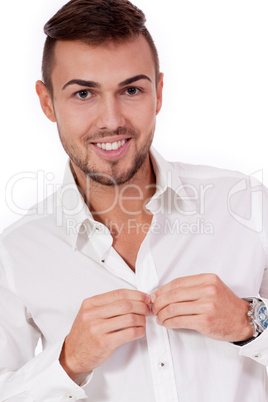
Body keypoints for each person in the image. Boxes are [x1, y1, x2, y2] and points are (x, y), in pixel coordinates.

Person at [0, 0, 268, 401]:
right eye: (84, 93)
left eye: (130, 89)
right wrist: (68, 361)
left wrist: (250, 324)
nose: (111, 120)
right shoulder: (15, 254)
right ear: (46, 102)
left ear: (158, 93)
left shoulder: (246, 204)